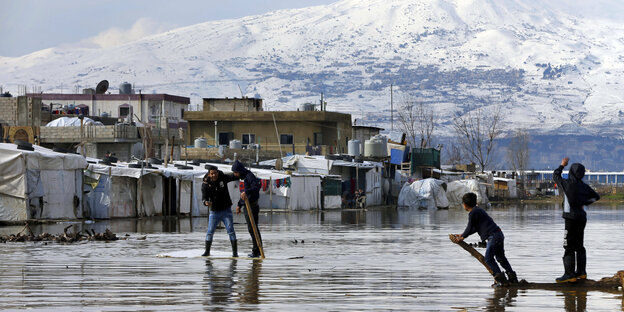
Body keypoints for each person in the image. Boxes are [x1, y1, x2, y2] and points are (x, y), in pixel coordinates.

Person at [452, 192, 518, 286]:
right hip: (498, 234)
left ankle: (501, 280)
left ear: (465, 205)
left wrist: (462, 237)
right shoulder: (478, 210)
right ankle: (512, 277)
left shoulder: (473, 213)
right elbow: (474, 228)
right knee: (500, 258)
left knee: (488, 259)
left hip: (493, 236)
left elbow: (470, 227)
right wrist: (462, 234)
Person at [553, 157, 600, 283]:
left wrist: (562, 165)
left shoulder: (567, 183)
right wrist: (584, 202)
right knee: (579, 246)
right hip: (581, 218)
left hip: (570, 219)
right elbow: (596, 197)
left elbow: (555, 175)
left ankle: (569, 274)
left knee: (568, 246)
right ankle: (581, 272)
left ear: (571, 172)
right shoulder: (584, 187)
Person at [201, 165, 238, 257]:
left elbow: (233, 176)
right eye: (212, 174)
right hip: (214, 211)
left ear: (217, 172)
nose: (214, 175)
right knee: (210, 232)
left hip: (226, 210)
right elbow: (204, 198)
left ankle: (235, 253)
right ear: (209, 174)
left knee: (231, 231)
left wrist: (240, 174)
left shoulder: (223, 177)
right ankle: (207, 251)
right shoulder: (205, 184)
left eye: (215, 173)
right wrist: (206, 202)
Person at [231, 160, 263, 258]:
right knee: (251, 229)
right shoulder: (244, 178)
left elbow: (256, 187)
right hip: (247, 205)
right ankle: (256, 250)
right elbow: (244, 195)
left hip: (252, 206)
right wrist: (239, 205)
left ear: (239, 171)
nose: (235, 175)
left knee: (253, 228)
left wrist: (247, 192)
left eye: (236, 173)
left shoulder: (249, 176)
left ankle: (257, 251)